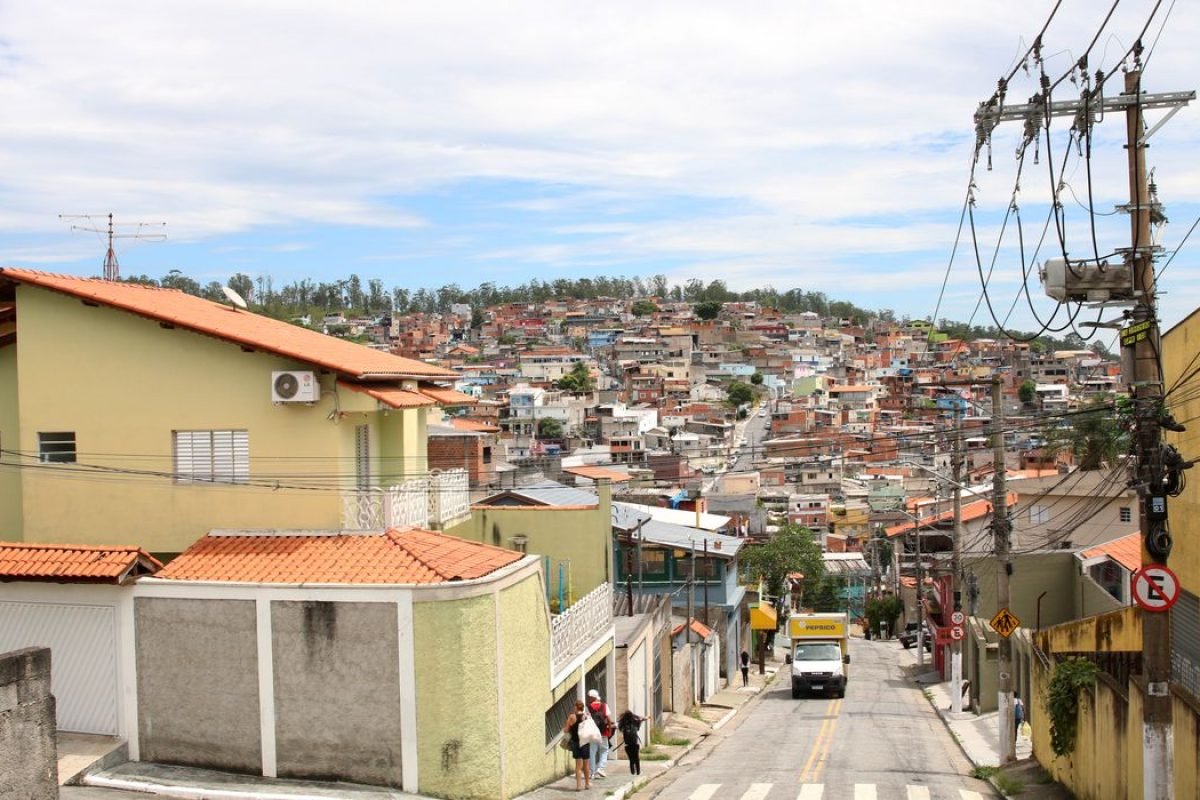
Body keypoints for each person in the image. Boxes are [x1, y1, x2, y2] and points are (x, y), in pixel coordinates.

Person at [562, 700, 591, 792]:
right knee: (586, 765)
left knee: (578, 766)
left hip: (575, 742)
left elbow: (566, 730)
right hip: (585, 742)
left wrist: (568, 727)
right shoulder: (586, 716)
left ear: (576, 707)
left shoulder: (572, 717)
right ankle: (587, 784)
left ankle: (578, 786)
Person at [586, 688, 613, 780]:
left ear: (591, 697)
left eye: (589, 697)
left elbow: (585, 720)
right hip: (603, 732)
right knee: (604, 750)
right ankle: (600, 768)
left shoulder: (588, 707)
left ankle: (592, 772)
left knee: (592, 752)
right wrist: (609, 729)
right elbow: (609, 719)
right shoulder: (604, 706)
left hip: (592, 733)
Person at [617, 710, 645, 775]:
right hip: (635, 743)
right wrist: (642, 720)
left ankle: (632, 771)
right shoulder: (635, 722)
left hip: (627, 744)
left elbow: (620, 728)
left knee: (631, 758)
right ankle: (638, 771)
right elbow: (639, 725)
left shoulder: (622, 723)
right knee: (636, 758)